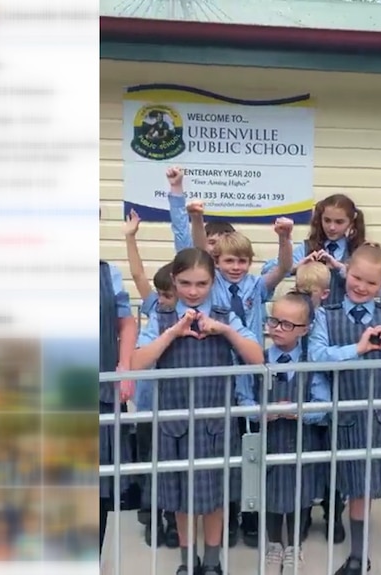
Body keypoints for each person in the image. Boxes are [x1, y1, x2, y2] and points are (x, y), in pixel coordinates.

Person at [131, 248, 264, 575]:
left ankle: (212, 562)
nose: (193, 291)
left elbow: (258, 358)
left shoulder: (225, 315)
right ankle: (187, 562)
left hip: (215, 422)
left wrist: (228, 332)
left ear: (212, 281)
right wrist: (172, 333)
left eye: (202, 283)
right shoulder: (161, 317)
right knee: (180, 498)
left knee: (216, 497)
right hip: (174, 424)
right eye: (186, 283)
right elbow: (136, 363)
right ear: (174, 281)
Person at [309, 242, 381, 575]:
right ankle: (358, 558)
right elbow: (316, 355)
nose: (361, 286)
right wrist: (354, 349)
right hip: (350, 421)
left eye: (371, 283)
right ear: (346, 272)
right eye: (356, 277)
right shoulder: (324, 316)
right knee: (357, 491)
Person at [188, 213, 294, 548]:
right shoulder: (211, 282)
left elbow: (283, 267)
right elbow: (194, 247)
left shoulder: (256, 286)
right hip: (220, 369)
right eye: (230, 260)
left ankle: (251, 516)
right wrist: (195, 217)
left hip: (250, 371)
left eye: (243, 261)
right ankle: (228, 514)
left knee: (252, 446)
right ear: (216, 261)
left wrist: (283, 238)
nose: (236, 267)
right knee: (226, 448)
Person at [236, 291, 330, 574]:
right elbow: (243, 400)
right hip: (268, 441)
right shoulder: (257, 360)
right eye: (274, 321)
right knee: (270, 494)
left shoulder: (313, 362)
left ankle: (295, 546)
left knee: (301, 493)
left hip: (303, 440)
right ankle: (274, 544)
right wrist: (264, 412)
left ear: (305, 329)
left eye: (287, 324)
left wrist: (298, 410)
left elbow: (323, 406)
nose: (277, 328)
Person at [123, 207, 182, 547]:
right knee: (150, 463)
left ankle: (174, 521)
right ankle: (153, 517)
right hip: (148, 406)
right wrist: (131, 238)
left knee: (173, 466)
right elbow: (137, 273)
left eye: (168, 293)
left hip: (175, 407)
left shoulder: (190, 317)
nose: (163, 298)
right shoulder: (153, 309)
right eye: (161, 293)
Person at [292, 261, 347, 543]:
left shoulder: (329, 319)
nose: (303, 296)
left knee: (331, 464)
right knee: (302, 462)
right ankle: (301, 516)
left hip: (328, 395)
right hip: (300, 395)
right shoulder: (291, 313)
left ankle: (333, 515)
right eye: (299, 290)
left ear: (324, 294)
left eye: (309, 292)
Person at [99, 210, 138, 552]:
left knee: (96, 493)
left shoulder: (107, 273)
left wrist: (125, 365)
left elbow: (125, 323)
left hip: (98, 393)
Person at [261, 194, 367, 305]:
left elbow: (372, 283)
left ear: (351, 222)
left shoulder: (359, 250)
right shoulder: (308, 247)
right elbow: (267, 270)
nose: (332, 227)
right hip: (310, 317)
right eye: (327, 220)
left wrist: (340, 267)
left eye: (339, 222)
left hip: (343, 319)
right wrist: (296, 267)